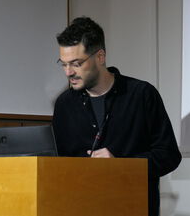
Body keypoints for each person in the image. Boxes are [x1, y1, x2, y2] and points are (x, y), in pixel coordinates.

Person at [52, 16, 182, 216]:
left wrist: (122, 165)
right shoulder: (64, 105)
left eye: (76, 63)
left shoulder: (141, 94)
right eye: (64, 64)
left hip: (133, 208)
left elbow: (169, 155)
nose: (68, 72)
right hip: (80, 208)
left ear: (100, 57)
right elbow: (58, 163)